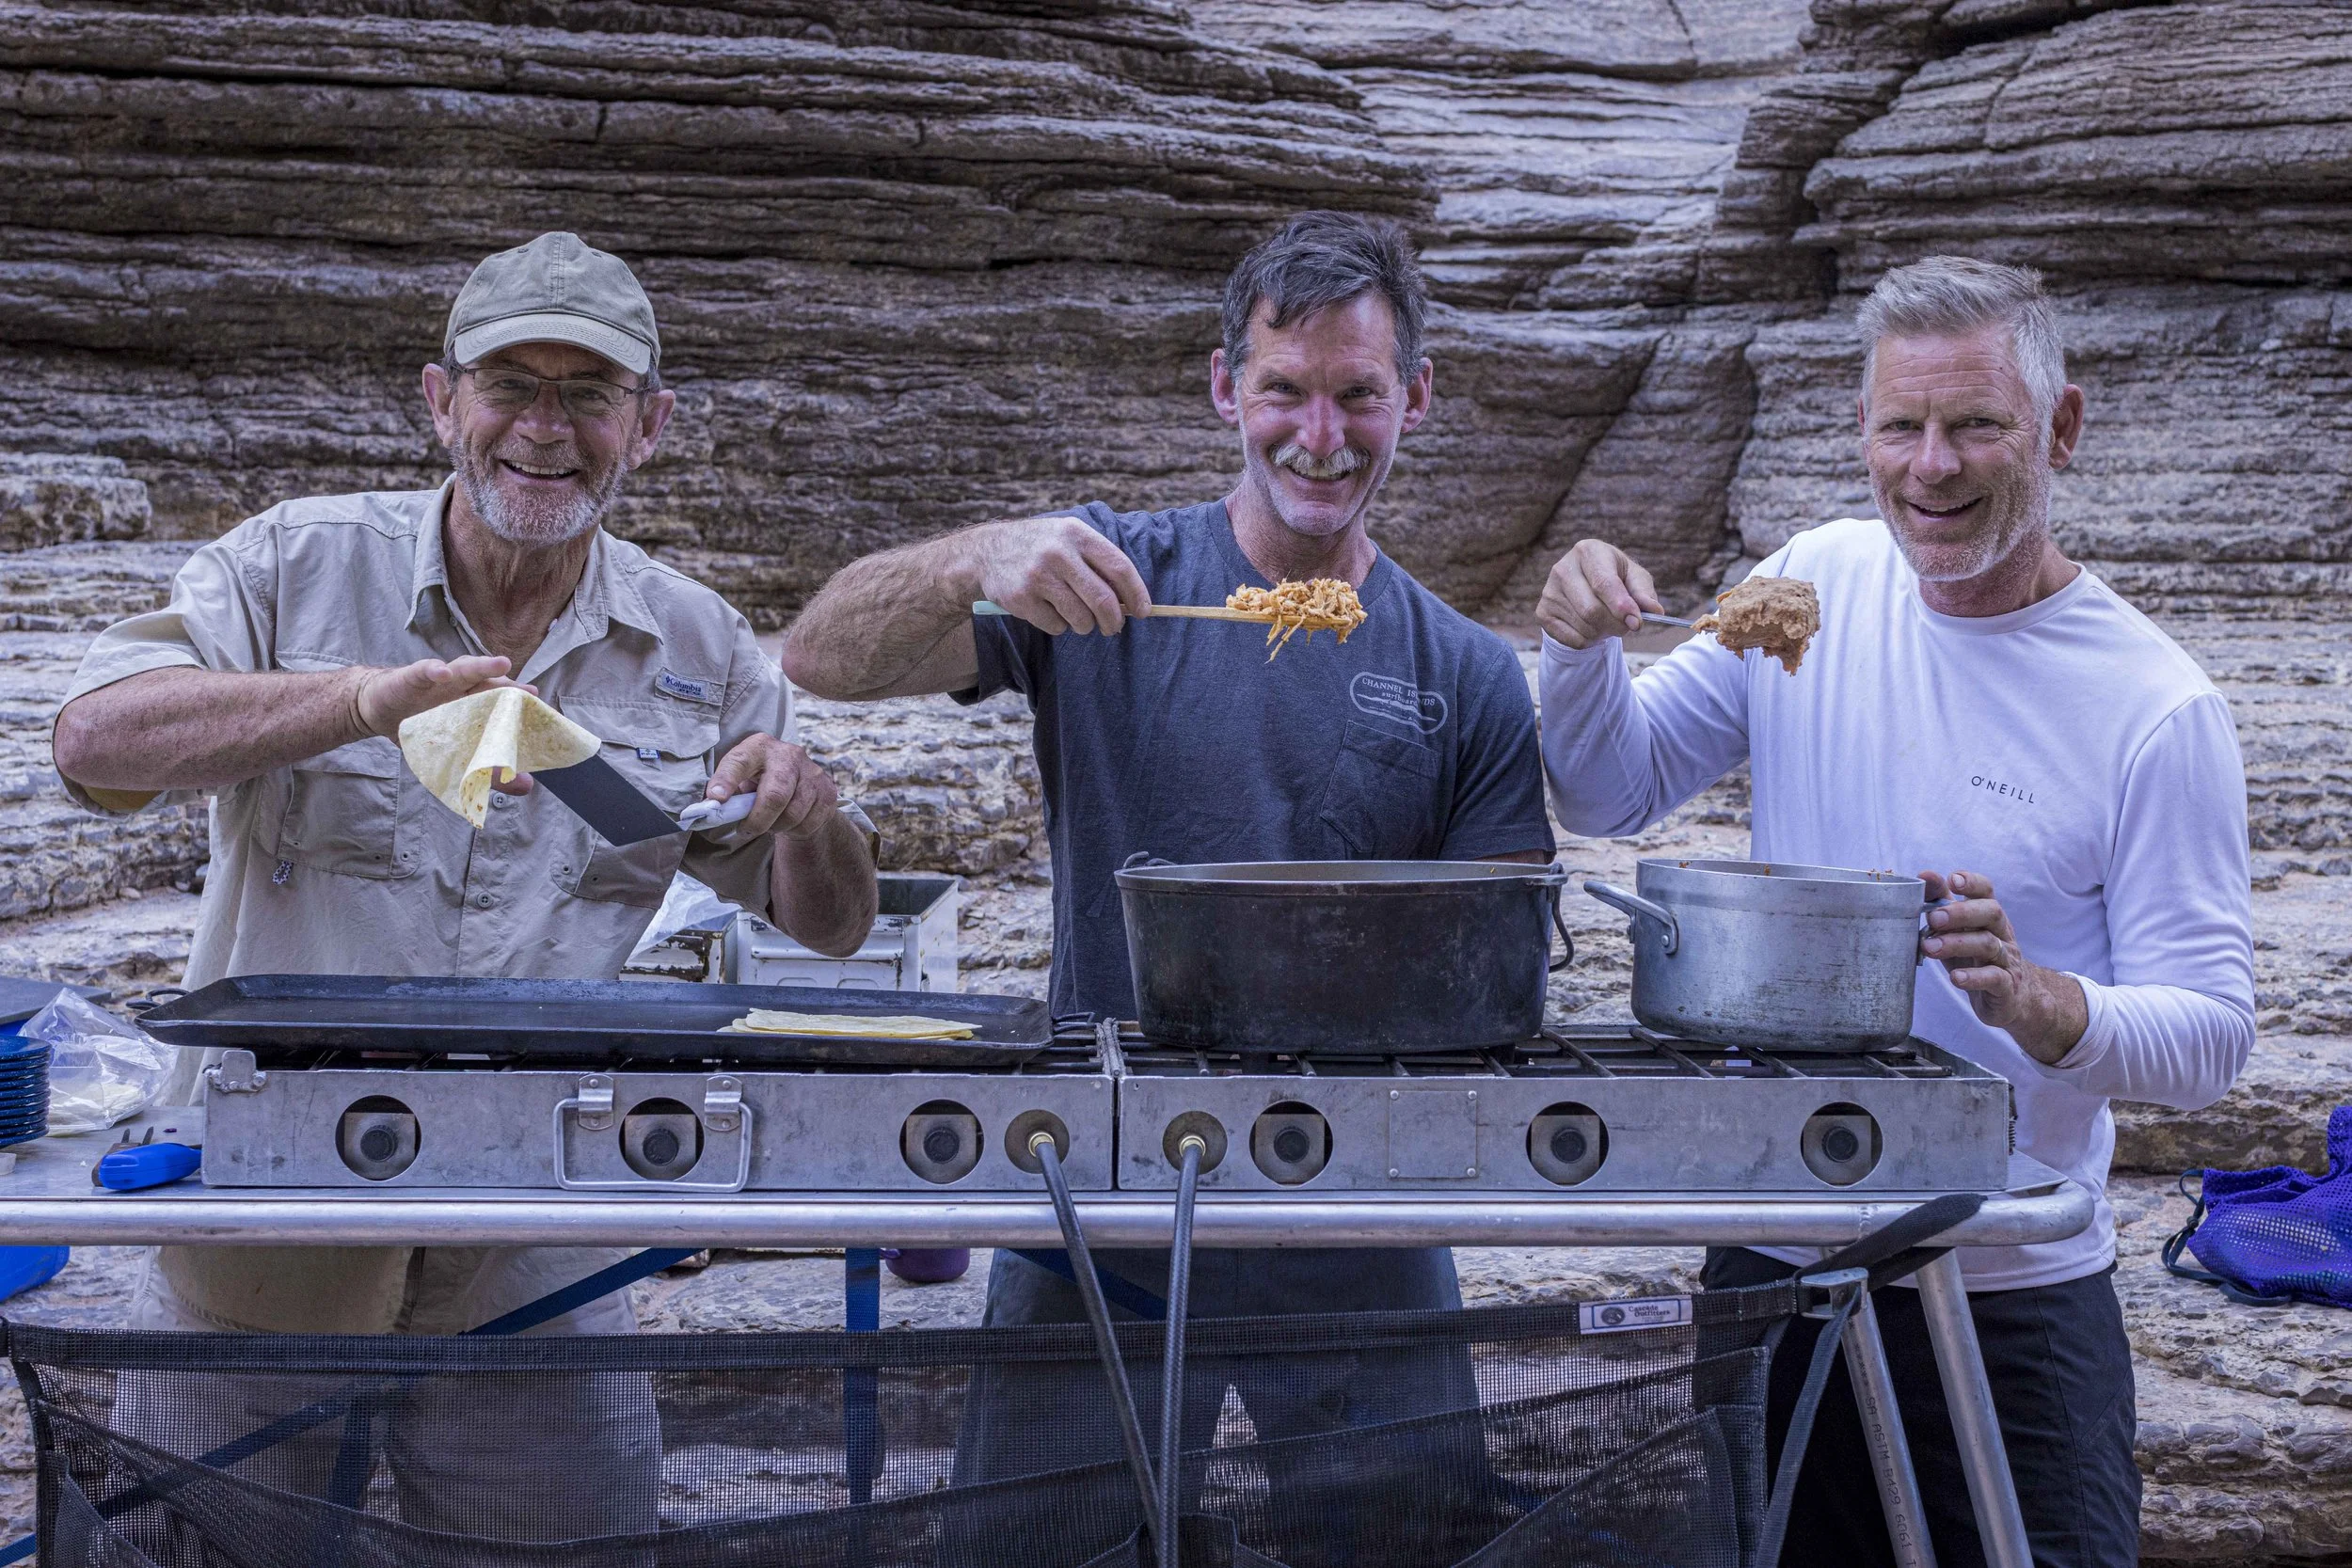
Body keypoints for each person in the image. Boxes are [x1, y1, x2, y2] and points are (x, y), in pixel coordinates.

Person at [50, 231, 878, 1535]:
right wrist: (362, 699)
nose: (545, 428)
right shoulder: (291, 565)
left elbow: (829, 926)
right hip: (268, 1230)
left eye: (588, 393)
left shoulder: (702, 644)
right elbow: (94, 741)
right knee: (209, 1549)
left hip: (535, 1251)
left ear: (648, 425)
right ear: (442, 402)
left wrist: (811, 811)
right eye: (511, 384)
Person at [784, 211, 1555, 1509]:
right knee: (1039, 1543)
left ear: (1414, 398)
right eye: (1285, 392)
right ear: (1223, 389)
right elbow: (820, 658)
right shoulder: (1099, 584)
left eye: (1359, 395)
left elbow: (1501, 981)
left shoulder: (1466, 672)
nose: (1320, 438)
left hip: (1359, 1201)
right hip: (1103, 1181)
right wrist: (975, 557)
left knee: (1412, 1539)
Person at [1536, 255, 2253, 1567]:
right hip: (1776, 1262)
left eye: (1977, 424)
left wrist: (2044, 1004)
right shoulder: (1812, 587)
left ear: (2063, 429)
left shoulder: (2156, 704)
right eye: (1899, 425)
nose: (1932, 466)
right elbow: (1608, 784)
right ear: (1861, 432)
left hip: (2012, 1289)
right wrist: (1577, 647)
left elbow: (2211, 1035)